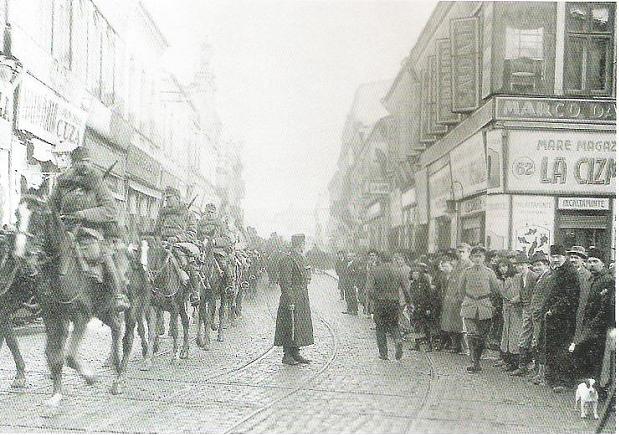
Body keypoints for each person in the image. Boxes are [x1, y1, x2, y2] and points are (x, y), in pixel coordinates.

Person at [49, 146, 130, 312]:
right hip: (65, 231)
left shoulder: (97, 182)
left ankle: (117, 294)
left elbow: (110, 210)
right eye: (81, 162)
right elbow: (52, 206)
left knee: (99, 254)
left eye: (87, 161)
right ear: (74, 163)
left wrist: (84, 214)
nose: (85, 165)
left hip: (90, 232)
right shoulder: (63, 183)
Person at [570, 247, 615, 385]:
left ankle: (599, 388)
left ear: (603, 263)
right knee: (589, 358)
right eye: (589, 261)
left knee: (599, 360)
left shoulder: (608, 281)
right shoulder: (589, 279)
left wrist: (592, 325)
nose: (592, 264)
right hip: (588, 326)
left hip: (599, 329)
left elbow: (605, 309)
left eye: (595, 261)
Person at [153, 187, 200, 306]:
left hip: (181, 243)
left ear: (177, 199)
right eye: (166, 198)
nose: (166, 201)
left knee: (189, 262)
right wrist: (157, 240)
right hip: (164, 243)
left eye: (169, 198)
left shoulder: (188, 214)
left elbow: (192, 233)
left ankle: (195, 292)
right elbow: (156, 231)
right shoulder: (163, 213)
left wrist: (177, 238)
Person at [543, 244, 580, 393]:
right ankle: (554, 379)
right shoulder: (557, 271)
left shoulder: (570, 272)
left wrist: (553, 310)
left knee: (563, 348)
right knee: (554, 347)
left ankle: (564, 381)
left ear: (564, 257)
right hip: (555, 317)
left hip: (565, 318)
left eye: (558, 257)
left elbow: (570, 297)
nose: (555, 259)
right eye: (553, 257)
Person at [460, 246, 501, 373]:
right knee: (471, 334)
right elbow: (461, 290)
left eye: (480, 256)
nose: (477, 259)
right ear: (471, 258)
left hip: (485, 306)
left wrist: (491, 305)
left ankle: (477, 359)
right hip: (469, 305)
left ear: (484, 258)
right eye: (475, 256)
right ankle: (474, 362)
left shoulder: (490, 273)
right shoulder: (466, 272)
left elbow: (495, 291)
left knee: (482, 337)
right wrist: (467, 300)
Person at [274, 233, 314, 365]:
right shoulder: (288, 259)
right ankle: (287, 355)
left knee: (299, 325)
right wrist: (290, 299)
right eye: (303, 243)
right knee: (289, 325)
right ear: (299, 244)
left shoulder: (301, 258)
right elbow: (285, 282)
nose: (304, 245)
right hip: (291, 296)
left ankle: (296, 352)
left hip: (301, 296)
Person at [367, 252, 412, 360]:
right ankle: (398, 340)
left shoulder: (375, 271)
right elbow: (405, 289)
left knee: (380, 327)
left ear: (380, 259)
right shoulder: (397, 271)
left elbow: (370, 289)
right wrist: (409, 302)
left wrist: (374, 299)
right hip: (394, 301)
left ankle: (384, 354)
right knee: (394, 324)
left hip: (380, 302)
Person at [510, 253, 539, 376]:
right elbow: (523, 294)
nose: (520, 267)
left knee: (530, 336)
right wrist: (517, 299)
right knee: (525, 336)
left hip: (533, 310)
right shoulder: (521, 277)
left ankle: (529, 366)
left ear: (527, 265)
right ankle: (523, 366)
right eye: (518, 265)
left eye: (522, 265)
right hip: (526, 309)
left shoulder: (534, 277)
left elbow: (536, 295)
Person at [196, 203, 235, 293]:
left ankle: (229, 285)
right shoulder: (200, 224)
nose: (210, 214)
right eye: (208, 212)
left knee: (224, 265)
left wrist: (215, 241)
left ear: (215, 213)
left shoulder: (220, 224)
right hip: (202, 249)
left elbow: (226, 239)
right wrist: (199, 241)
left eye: (212, 212)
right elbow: (196, 236)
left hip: (216, 250)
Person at [440, 245, 471, 354]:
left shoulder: (469, 266)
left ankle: (466, 348)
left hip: (462, 299)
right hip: (451, 298)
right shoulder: (457, 265)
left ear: (468, 253)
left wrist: (461, 297)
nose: (461, 254)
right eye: (459, 252)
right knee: (452, 323)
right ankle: (455, 346)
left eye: (463, 252)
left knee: (463, 325)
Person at [528, 251, 553, 384]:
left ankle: (542, 375)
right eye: (534, 265)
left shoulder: (548, 278)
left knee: (541, 344)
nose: (536, 268)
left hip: (541, 316)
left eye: (539, 265)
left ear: (546, 265)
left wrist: (539, 312)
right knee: (536, 343)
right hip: (536, 315)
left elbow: (545, 299)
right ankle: (538, 372)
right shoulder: (541, 277)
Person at [567, 245, 593, 369]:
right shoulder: (567, 274)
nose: (573, 260)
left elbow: (584, 297)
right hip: (568, 313)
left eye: (576, 257)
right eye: (571, 257)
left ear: (583, 260)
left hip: (579, 314)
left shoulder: (586, 275)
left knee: (576, 343)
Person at [494, 257, 520, 371]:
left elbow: (521, 292)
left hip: (516, 309)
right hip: (506, 308)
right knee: (506, 333)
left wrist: (516, 299)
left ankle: (514, 361)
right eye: (500, 267)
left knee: (514, 334)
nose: (502, 269)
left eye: (504, 266)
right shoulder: (501, 280)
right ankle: (505, 358)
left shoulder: (516, 278)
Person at [409, 262, 440, 352]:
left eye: (416, 273)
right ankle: (417, 344)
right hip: (416, 308)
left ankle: (429, 345)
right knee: (416, 326)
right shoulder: (413, 284)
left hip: (424, 308)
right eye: (413, 273)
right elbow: (412, 296)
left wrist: (428, 308)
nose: (414, 275)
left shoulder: (425, 284)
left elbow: (429, 297)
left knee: (426, 327)